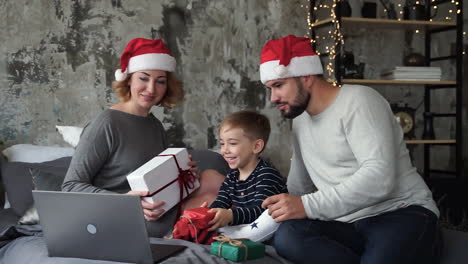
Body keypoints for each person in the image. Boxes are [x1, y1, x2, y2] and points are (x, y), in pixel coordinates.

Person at [259, 35, 440, 264]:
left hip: (400, 213)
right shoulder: (300, 120)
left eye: (278, 85)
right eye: (269, 88)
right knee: (288, 236)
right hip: (345, 222)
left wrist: (306, 205)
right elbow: (300, 186)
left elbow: (379, 179)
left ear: (305, 76)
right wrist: (266, 215)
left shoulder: (360, 100)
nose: (273, 98)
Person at [61, 38, 220, 237]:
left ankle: (262, 221)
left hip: (159, 207)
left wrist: (183, 174)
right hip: (127, 216)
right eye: (143, 78)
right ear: (128, 79)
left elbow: (155, 177)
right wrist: (125, 200)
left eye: (160, 81)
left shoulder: (154, 125)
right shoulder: (107, 123)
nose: (151, 89)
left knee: (212, 178)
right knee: (214, 200)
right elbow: (70, 187)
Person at [206, 110, 287, 231]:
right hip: (248, 227)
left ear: (256, 147)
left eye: (232, 143)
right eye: (222, 143)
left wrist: (231, 215)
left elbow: (261, 212)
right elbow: (221, 202)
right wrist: (209, 213)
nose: (225, 150)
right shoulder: (232, 176)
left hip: (271, 229)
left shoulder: (267, 175)